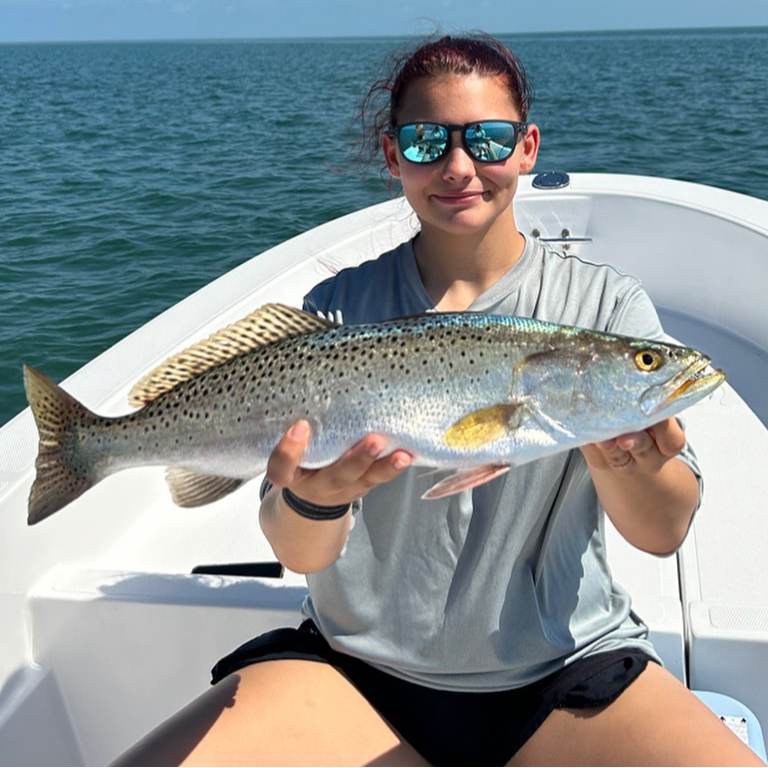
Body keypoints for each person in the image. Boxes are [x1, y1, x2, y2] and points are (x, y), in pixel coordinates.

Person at [114, 33, 765, 767]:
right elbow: (297, 550)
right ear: (394, 157)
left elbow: (663, 531)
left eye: (488, 139)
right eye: (427, 143)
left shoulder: (602, 308)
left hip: (564, 672)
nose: (460, 167)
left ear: (527, 147)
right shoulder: (337, 310)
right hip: (355, 672)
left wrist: (626, 462)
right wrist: (319, 497)